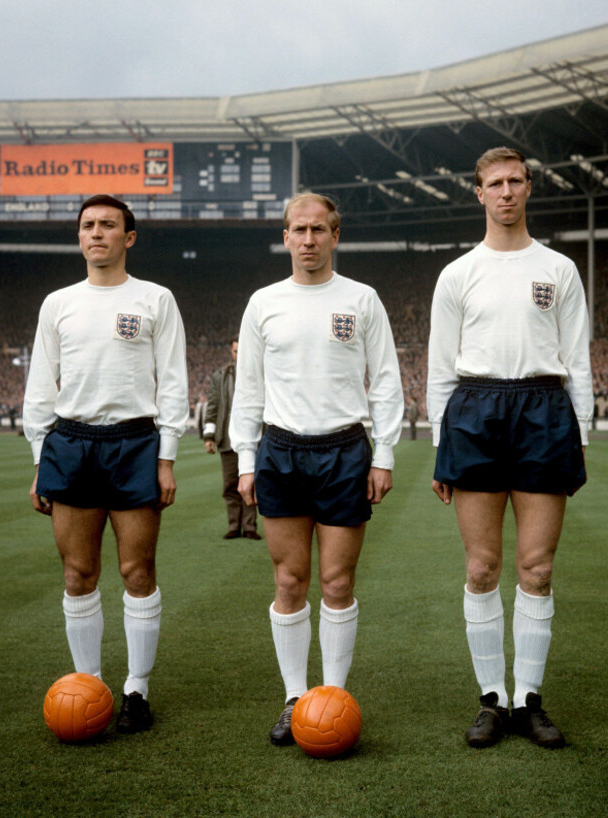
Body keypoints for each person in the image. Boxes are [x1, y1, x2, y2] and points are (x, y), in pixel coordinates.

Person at [427, 147, 593, 749]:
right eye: (493, 183)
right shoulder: (458, 273)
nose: (505, 192)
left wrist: (581, 428)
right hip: (474, 411)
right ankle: (491, 699)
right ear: (479, 193)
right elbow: (441, 367)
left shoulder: (559, 269)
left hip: (544, 411)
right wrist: (442, 442)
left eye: (514, 181)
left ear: (529, 187)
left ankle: (530, 700)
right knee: (481, 567)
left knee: (538, 569)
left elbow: (577, 357)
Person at [230, 192, 404, 745]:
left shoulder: (362, 299)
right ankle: (294, 697)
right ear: (285, 237)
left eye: (318, 230)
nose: (308, 239)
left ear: (335, 235)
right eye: (298, 230)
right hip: (280, 450)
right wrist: (246, 459)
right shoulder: (263, 303)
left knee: (337, 581)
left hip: (345, 451)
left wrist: (384, 454)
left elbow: (388, 382)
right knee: (289, 580)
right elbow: (249, 388)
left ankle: (333, 696)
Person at [23, 194, 189, 734]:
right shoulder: (58, 303)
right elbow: (39, 391)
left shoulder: (156, 299)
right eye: (88, 225)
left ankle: (136, 689)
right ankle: (87, 685)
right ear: (79, 237)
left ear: (129, 237)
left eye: (109, 225)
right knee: (78, 573)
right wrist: (39, 460)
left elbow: (174, 387)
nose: (97, 233)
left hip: (136, 443)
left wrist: (166, 458)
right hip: (70, 444)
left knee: (137, 571)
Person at [203, 337, 260, 540]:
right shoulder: (220, 376)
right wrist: (209, 436)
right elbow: (213, 406)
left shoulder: (258, 373)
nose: (238, 355)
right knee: (230, 486)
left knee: (251, 483)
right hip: (227, 440)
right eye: (235, 351)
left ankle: (250, 526)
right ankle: (234, 525)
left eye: (241, 351)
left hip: (253, 439)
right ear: (231, 352)